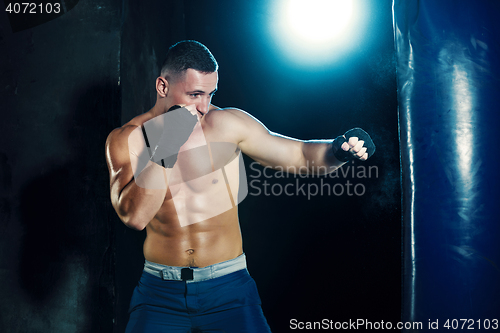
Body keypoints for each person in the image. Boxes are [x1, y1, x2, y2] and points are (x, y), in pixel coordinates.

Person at [105, 40, 375, 332]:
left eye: (210, 94)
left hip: (228, 289)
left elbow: (298, 155)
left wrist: (339, 151)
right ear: (162, 87)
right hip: (159, 293)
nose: (203, 106)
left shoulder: (227, 124)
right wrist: (166, 145)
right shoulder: (127, 139)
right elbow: (134, 217)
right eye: (194, 94)